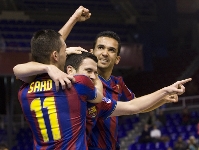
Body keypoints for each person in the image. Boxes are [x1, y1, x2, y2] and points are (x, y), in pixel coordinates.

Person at [13, 6, 192, 150]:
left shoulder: (24, 90)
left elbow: (134, 106)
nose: (105, 53)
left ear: (117, 58)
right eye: (100, 48)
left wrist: (163, 95)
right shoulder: (79, 85)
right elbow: (50, 50)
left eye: (111, 50)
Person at [15, 29, 103, 149]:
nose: (66, 53)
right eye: (65, 49)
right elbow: (99, 96)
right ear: (55, 55)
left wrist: (49, 65)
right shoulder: (78, 84)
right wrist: (96, 73)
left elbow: (19, 70)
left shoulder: (23, 92)